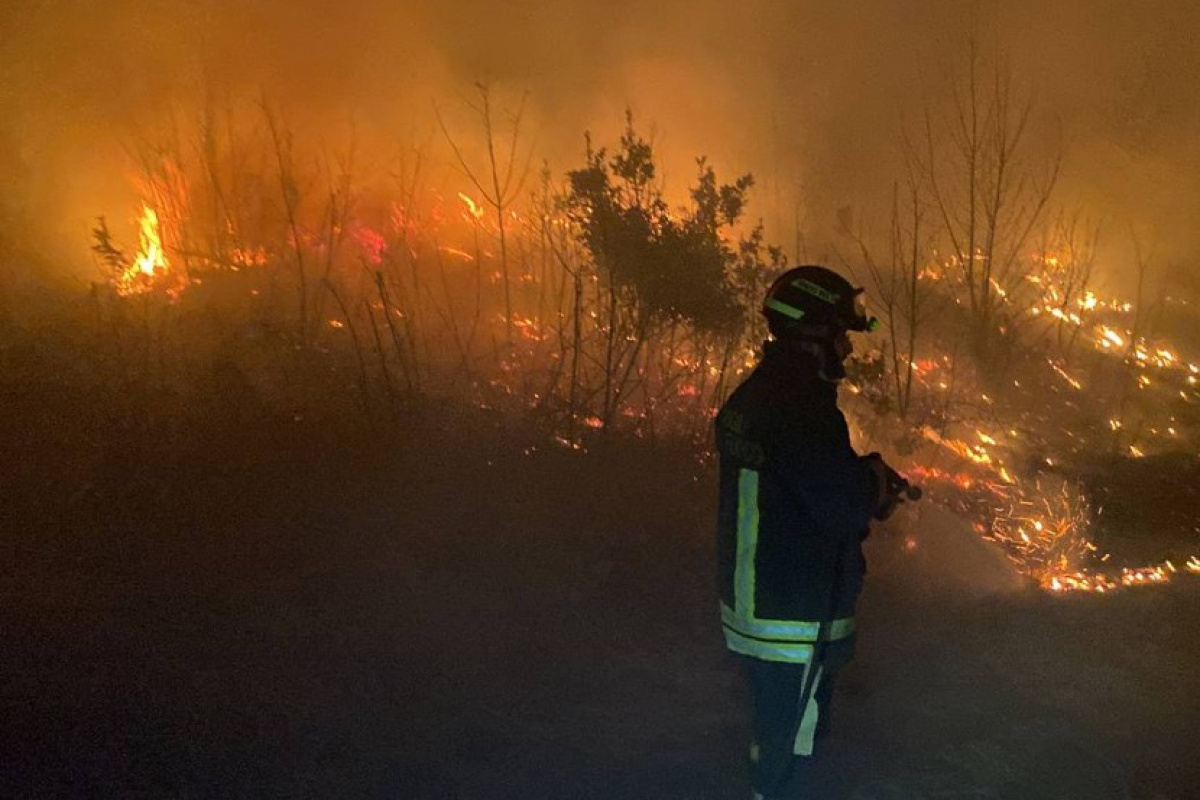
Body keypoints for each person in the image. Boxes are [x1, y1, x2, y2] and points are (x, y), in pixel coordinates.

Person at [715, 265, 904, 800]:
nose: (846, 349)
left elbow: (797, 480)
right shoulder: (800, 408)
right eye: (840, 335)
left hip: (760, 596)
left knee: (776, 732)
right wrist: (873, 484)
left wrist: (859, 474)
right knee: (790, 750)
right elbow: (839, 505)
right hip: (792, 610)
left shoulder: (759, 396)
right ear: (812, 332)